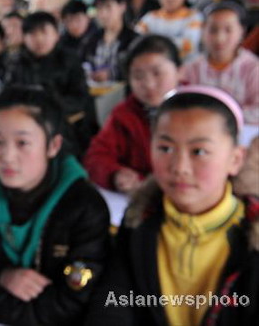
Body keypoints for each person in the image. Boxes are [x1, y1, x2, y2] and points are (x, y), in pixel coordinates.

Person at [85, 85, 258, 326]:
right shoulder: (139, 220)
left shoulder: (253, 240)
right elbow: (116, 300)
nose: (179, 167)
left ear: (235, 159)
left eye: (199, 151)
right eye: (165, 148)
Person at [0, 86, 110, 326]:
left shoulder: (85, 208)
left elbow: (69, 304)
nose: (6, 156)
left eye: (22, 143)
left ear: (53, 146)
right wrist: (2, 274)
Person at [83, 35, 181, 193]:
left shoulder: (198, 112)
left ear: (179, 71)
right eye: (138, 76)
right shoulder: (124, 115)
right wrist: (116, 174)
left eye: (157, 73)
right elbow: (96, 156)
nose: (148, 84)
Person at [5, 11, 97, 155]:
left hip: (67, 128)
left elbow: (81, 98)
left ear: (56, 34)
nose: (39, 38)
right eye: (32, 34)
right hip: (24, 128)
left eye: (44, 32)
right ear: (24, 37)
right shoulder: (17, 63)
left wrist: (51, 108)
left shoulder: (70, 60)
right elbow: (8, 96)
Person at [181, 0, 259, 125]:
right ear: (203, 31)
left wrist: (219, 117)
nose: (219, 38)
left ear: (242, 32)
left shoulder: (253, 68)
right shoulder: (191, 68)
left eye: (228, 30)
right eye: (213, 30)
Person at [82, 0, 139, 83]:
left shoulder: (135, 40)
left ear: (122, 7)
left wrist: (111, 74)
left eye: (108, 7)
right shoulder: (91, 40)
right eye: (99, 9)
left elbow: (138, 70)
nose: (103, 14)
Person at [136, 0, 203, 62]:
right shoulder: (150, 17)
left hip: (184, 66)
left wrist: (152, 43)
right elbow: (136, 39)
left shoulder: (194, 17)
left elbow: (189, 45)